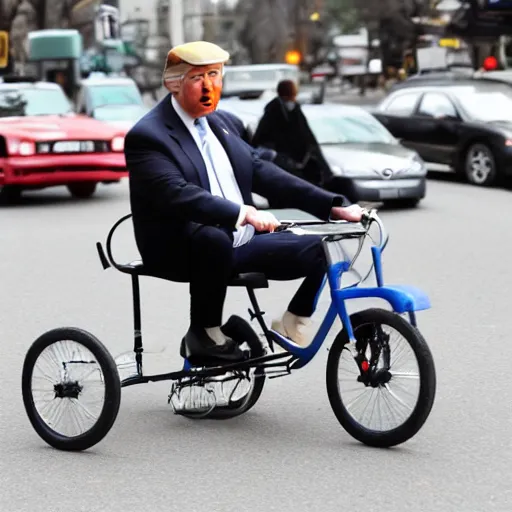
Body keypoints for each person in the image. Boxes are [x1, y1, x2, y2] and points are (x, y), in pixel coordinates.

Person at [124, 41, 364, 363]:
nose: (209, 86)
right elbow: (176, 193)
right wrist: (241, 212)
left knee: (322, 246)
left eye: (214, 75)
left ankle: (294, 321)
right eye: (197, 78)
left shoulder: (225, 123)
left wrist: (333, 205)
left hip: (238, 238)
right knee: (212, 238)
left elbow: (264, 173)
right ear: (173, 84)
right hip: (180, 246)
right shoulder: (148, 136)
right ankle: (204, 334)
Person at [251, 79, 332, 187]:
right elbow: (261, 138)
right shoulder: (273, 112)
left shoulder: (295, 110)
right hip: (282, 164)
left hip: (297, 164)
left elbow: (308, 138)